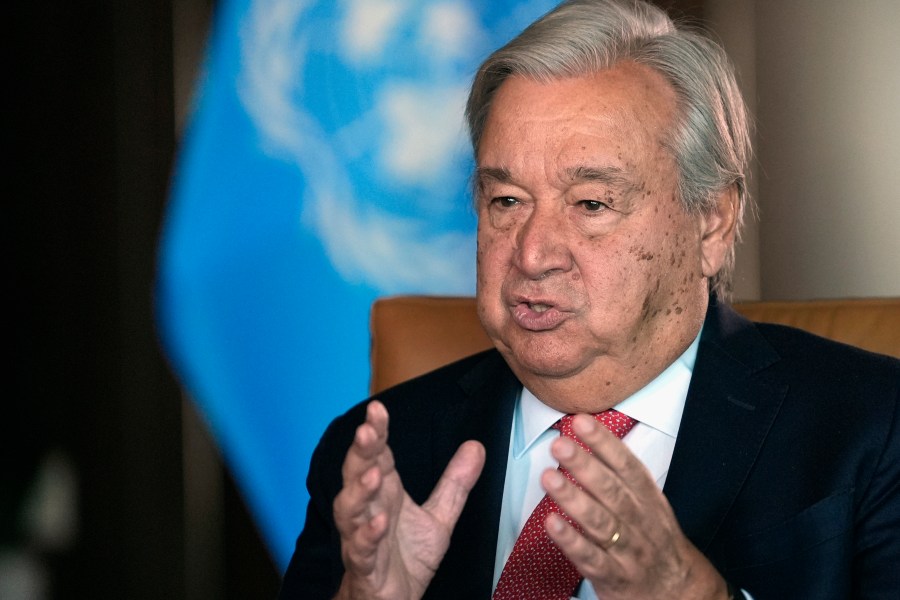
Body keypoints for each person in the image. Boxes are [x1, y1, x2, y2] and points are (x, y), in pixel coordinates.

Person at [278, 1, 900, 598]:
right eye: (507, 202)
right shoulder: (378, 456)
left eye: (591, 204)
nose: (532, 254)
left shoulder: (872, 430)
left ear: (710, 223)